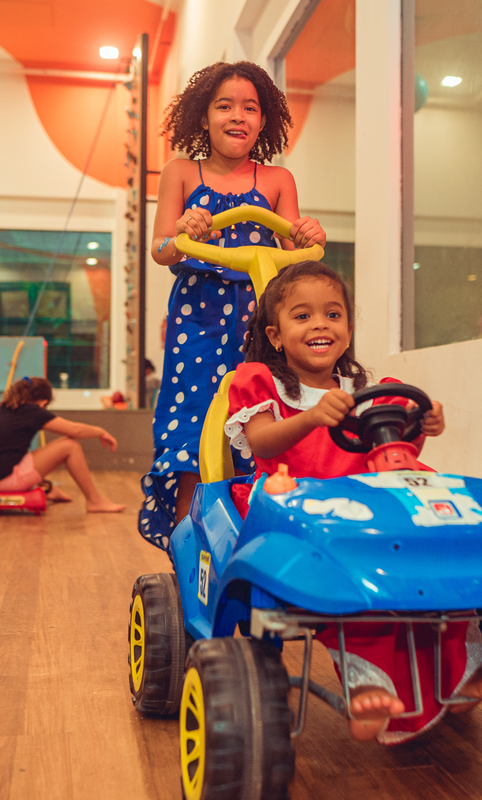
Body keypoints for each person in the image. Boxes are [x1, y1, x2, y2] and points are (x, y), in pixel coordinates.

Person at [225, 261, 482, 744]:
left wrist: (423, 426)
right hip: (300, 496)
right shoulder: (262, 380)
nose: (321, 324)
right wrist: (311, 418)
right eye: (303, 316)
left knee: (442, 556)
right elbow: (261, 444)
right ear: (276, 336)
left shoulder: (362, 390)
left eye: (333, 314)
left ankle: (464, 675)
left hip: (373, 496)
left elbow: (392, 452)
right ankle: (371, 683)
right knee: (355, 584)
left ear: (346, 330)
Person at [139, 60, 327, 550]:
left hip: (262, 321)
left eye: (250, 108)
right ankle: (186, 557)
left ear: (263, 122)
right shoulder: (181, 173)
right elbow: (160, 252)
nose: (237, 116)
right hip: (196, 321)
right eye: (224, 106)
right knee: (194, 427)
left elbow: (294, 264)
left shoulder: (277, 180)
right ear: (203, 117)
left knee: (261, 417)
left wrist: (307, 234)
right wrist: (181, 232)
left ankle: (261, 549)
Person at [0, 377, 125, 513]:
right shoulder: (32, 411)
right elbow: (75, 431)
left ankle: (49, 489)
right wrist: (100, 431)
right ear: (43, 403)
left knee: (23, 455)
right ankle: (94, 501)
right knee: (70, 446)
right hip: (2, 482)